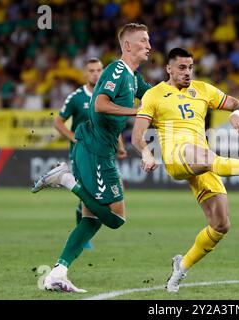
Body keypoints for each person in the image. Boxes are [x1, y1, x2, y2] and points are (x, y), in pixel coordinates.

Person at [131, 48, 239, 293]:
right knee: (206, 156)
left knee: (221, 224)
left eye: (190, 67)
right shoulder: (154, 95)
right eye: (181, 68)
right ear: (168, 68)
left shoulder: (204, 90)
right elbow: (137, 135)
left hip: (202, 158)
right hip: (176, 156)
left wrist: (237, 114)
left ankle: (181, 268)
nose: (187, 72)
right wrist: (146, 152)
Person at [31, 23, 152, 293]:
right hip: (95, 150)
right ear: (128, 45)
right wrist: (137, 113)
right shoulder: (117, 70)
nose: (149, 46)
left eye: (149, 41)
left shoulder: (134, 77)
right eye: (143, 41)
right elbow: (100, 104)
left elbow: (155, 95)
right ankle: (65, 180)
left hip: (100, 147)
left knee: (90, 219)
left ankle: (57, 273)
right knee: (116, 218)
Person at [53, 57, 103, 250]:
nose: (95, 74)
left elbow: (111, 123)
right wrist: (73, 137)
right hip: (81, 152)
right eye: (91, 70)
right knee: (87, 193)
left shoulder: (106, 96)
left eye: (99, 70)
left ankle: (83, 231)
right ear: (85, 73)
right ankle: (83, 236)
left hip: (101, 152)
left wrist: (120, 144)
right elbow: (58, 121)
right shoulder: (76, 97)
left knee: (94, 195)